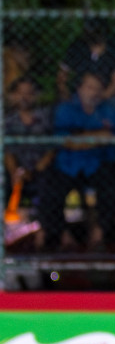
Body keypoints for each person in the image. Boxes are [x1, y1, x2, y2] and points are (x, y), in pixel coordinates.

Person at [38, 70, 115, 251]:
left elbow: (109, 137)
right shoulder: (65, 109)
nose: (94, 92)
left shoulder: (108, 111)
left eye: (98, 88)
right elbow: (66, 142)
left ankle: (98, 235)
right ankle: (62, 236)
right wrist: (95, 137)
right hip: (67, 165)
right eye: (90, 87)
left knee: (112, 186)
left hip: (96, 165)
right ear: (79, 89)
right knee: (48, 188)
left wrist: (79, 137)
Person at [4, 77, 53, 242]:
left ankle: (45, 235)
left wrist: (35, 170)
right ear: (13, 96)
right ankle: (7, 235)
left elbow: (52, 147)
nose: (25, 97)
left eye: (29, 93)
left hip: (41, 169)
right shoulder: (8, 121)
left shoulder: (45, 117)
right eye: (20, 93)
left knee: (50, 184)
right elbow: (7, 151)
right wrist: (15, 172)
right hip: (18, 170)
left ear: (35, 96)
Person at [57, 19, 115, 104]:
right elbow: (62, 75)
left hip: (106, 95)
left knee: (112, 104)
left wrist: (101, 98)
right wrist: (67, 96)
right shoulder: (77, 47)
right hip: (79, 94)